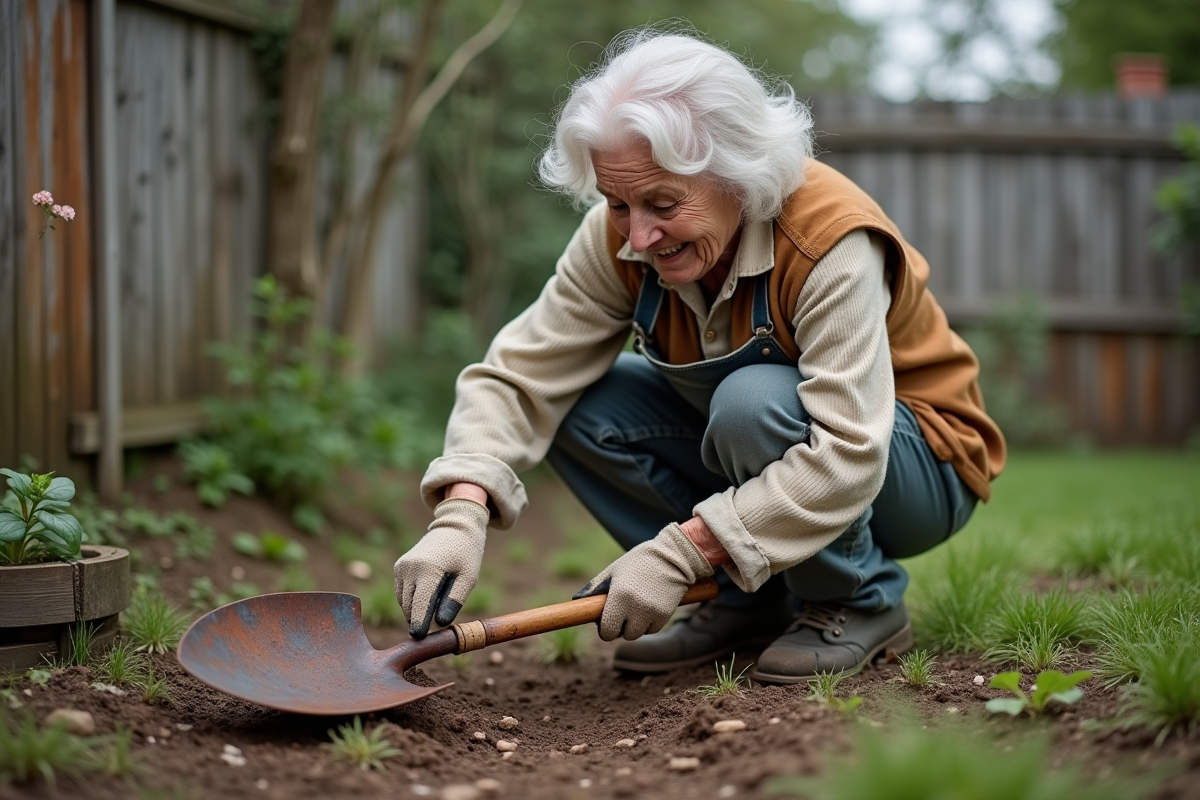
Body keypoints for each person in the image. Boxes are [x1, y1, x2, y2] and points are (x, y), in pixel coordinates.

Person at [393, 28, 1006, 684]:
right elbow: (521, 375)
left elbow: (848, 455)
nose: (639, 234)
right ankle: (749, 601)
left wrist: (684, 551)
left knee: (753, 403)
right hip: (781, 455)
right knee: (579, 400)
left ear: (739, 174)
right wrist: (462, 508)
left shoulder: (830, 240)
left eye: (663, 203)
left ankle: (855, 597)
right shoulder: (622, 237)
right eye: (617, 203)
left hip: (914, 466)